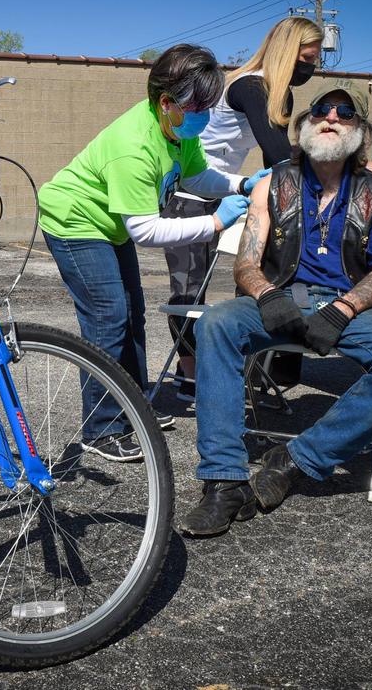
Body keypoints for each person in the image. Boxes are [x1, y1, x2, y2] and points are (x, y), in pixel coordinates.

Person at [176, 80, 372, 535]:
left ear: (359, 133)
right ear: (304, 125)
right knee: (216, 324)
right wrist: (269, 295)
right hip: (286, 295)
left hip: (353, 301)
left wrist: (343, 309)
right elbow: (247, 262)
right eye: (321, 110)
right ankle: (223, 481)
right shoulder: (275, 184)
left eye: (345, 113)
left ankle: (295, 460)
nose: (332, 117)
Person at [37, 44, 257, 461]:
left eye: (210, 105)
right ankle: (100, 429)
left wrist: (240, 185)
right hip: (74, 222)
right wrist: (215, 223)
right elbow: (146, 229)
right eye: (197, 105)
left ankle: (134, 408)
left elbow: (198, 177)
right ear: (165, 102)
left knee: (132, 312)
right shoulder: (133, 145)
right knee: (108, 316)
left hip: (110, 225)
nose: (205, 114)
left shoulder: (176, 131)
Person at [162, 17, 372, 402]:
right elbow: (283, 153)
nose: (312, 67)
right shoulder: (250, 86)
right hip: (188, 194)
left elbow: (278, 162)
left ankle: (260, 361)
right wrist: (352, 161)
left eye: (316, 60)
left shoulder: (279, 95)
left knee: (262, 270)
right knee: (188, 293)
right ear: (287, 52)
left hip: (223, 189)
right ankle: (189, 373)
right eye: (307, 57)